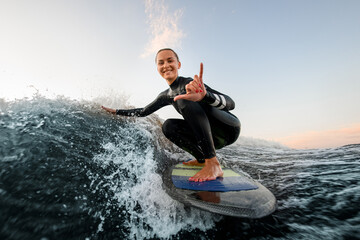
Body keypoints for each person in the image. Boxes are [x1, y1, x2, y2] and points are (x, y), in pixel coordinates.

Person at [102, 48, 240, 182]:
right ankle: (202, 160)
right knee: (168, 126)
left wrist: (205, 96)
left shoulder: (189, 84)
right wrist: (116, 111)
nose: (166, 65)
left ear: (178, 64)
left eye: (170, 61)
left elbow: (231, 104)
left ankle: (212, 164)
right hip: (211, 138)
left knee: (183, 99)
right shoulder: (165, 95)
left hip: (228, 128)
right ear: (157, 68)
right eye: (161, 63)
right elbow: (143, 111)